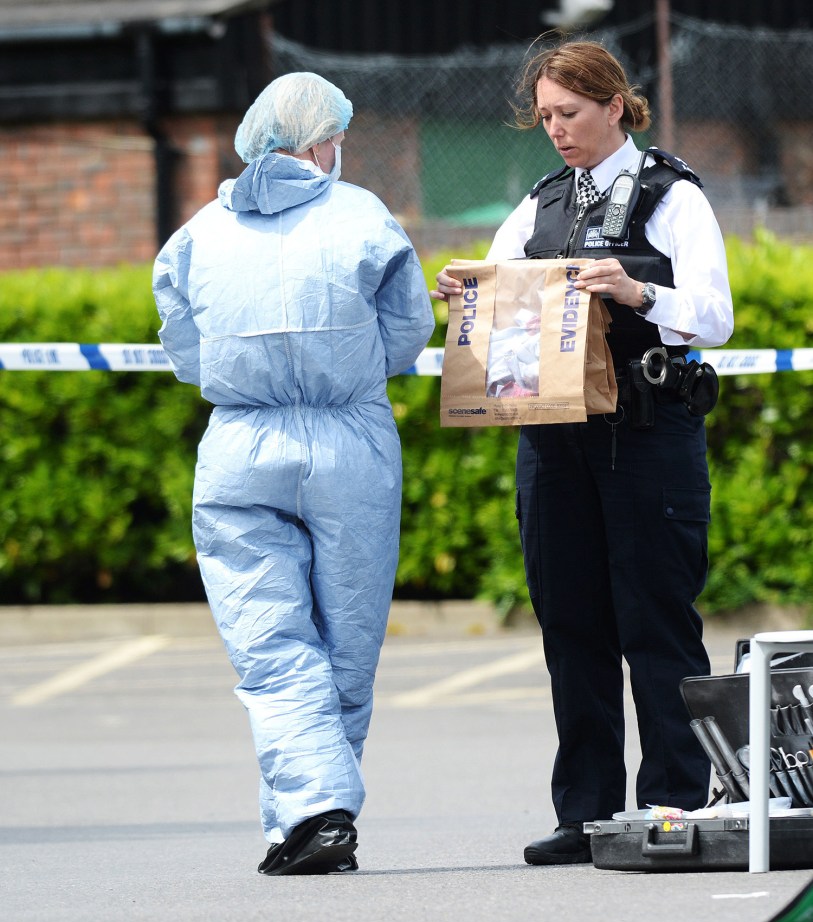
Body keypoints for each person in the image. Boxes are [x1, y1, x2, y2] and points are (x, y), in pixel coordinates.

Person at [432, 39, 733, 865]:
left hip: (647, 431)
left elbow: (715, 314)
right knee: (570, 624)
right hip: (554, 436)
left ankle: (672, 806)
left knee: (657, 623)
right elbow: (494, 285)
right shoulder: (539, 202)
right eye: (544, 118)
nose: (555, 132)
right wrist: (463, 291)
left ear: (612, 105)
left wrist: (636, 289)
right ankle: (587, 813)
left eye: (568, 114)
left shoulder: (673, 195)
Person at [153, 72, 435, 875]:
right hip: (350, 439)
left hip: (240, 445)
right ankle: (321, 813)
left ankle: (307, 816)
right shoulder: (363, 216)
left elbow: (183, 342)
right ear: (322, 141)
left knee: (270, 645)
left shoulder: (200, 231)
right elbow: (407, 327)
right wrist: (343, 378)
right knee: (346, 640)